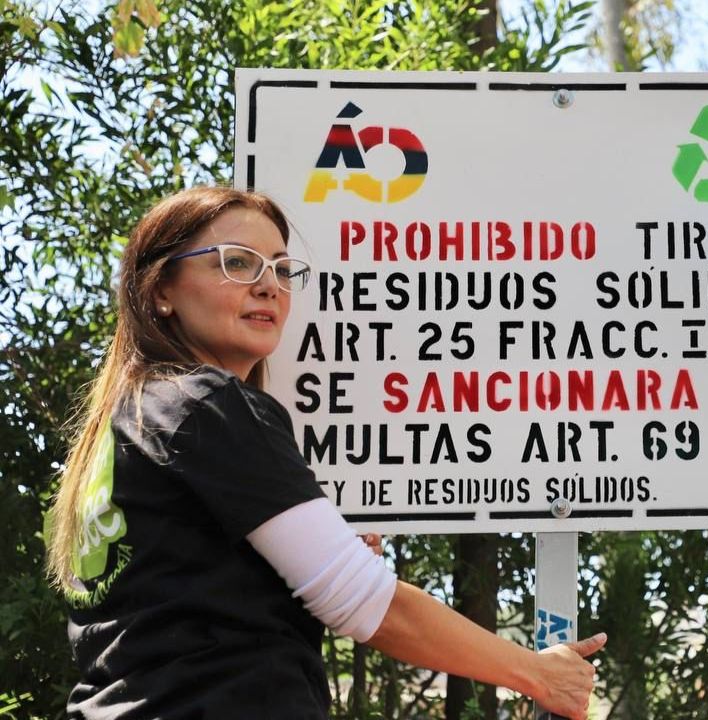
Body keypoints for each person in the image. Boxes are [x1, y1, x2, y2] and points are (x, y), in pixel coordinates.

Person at [45, 187, 605, 719]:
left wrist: (305, 560)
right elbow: (365, 604)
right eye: (236, 263)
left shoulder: (130, 421)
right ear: (160, 289)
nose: (269, 287)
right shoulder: (206, 405)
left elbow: (182, 596)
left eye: (282, 269)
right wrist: (536, 673)